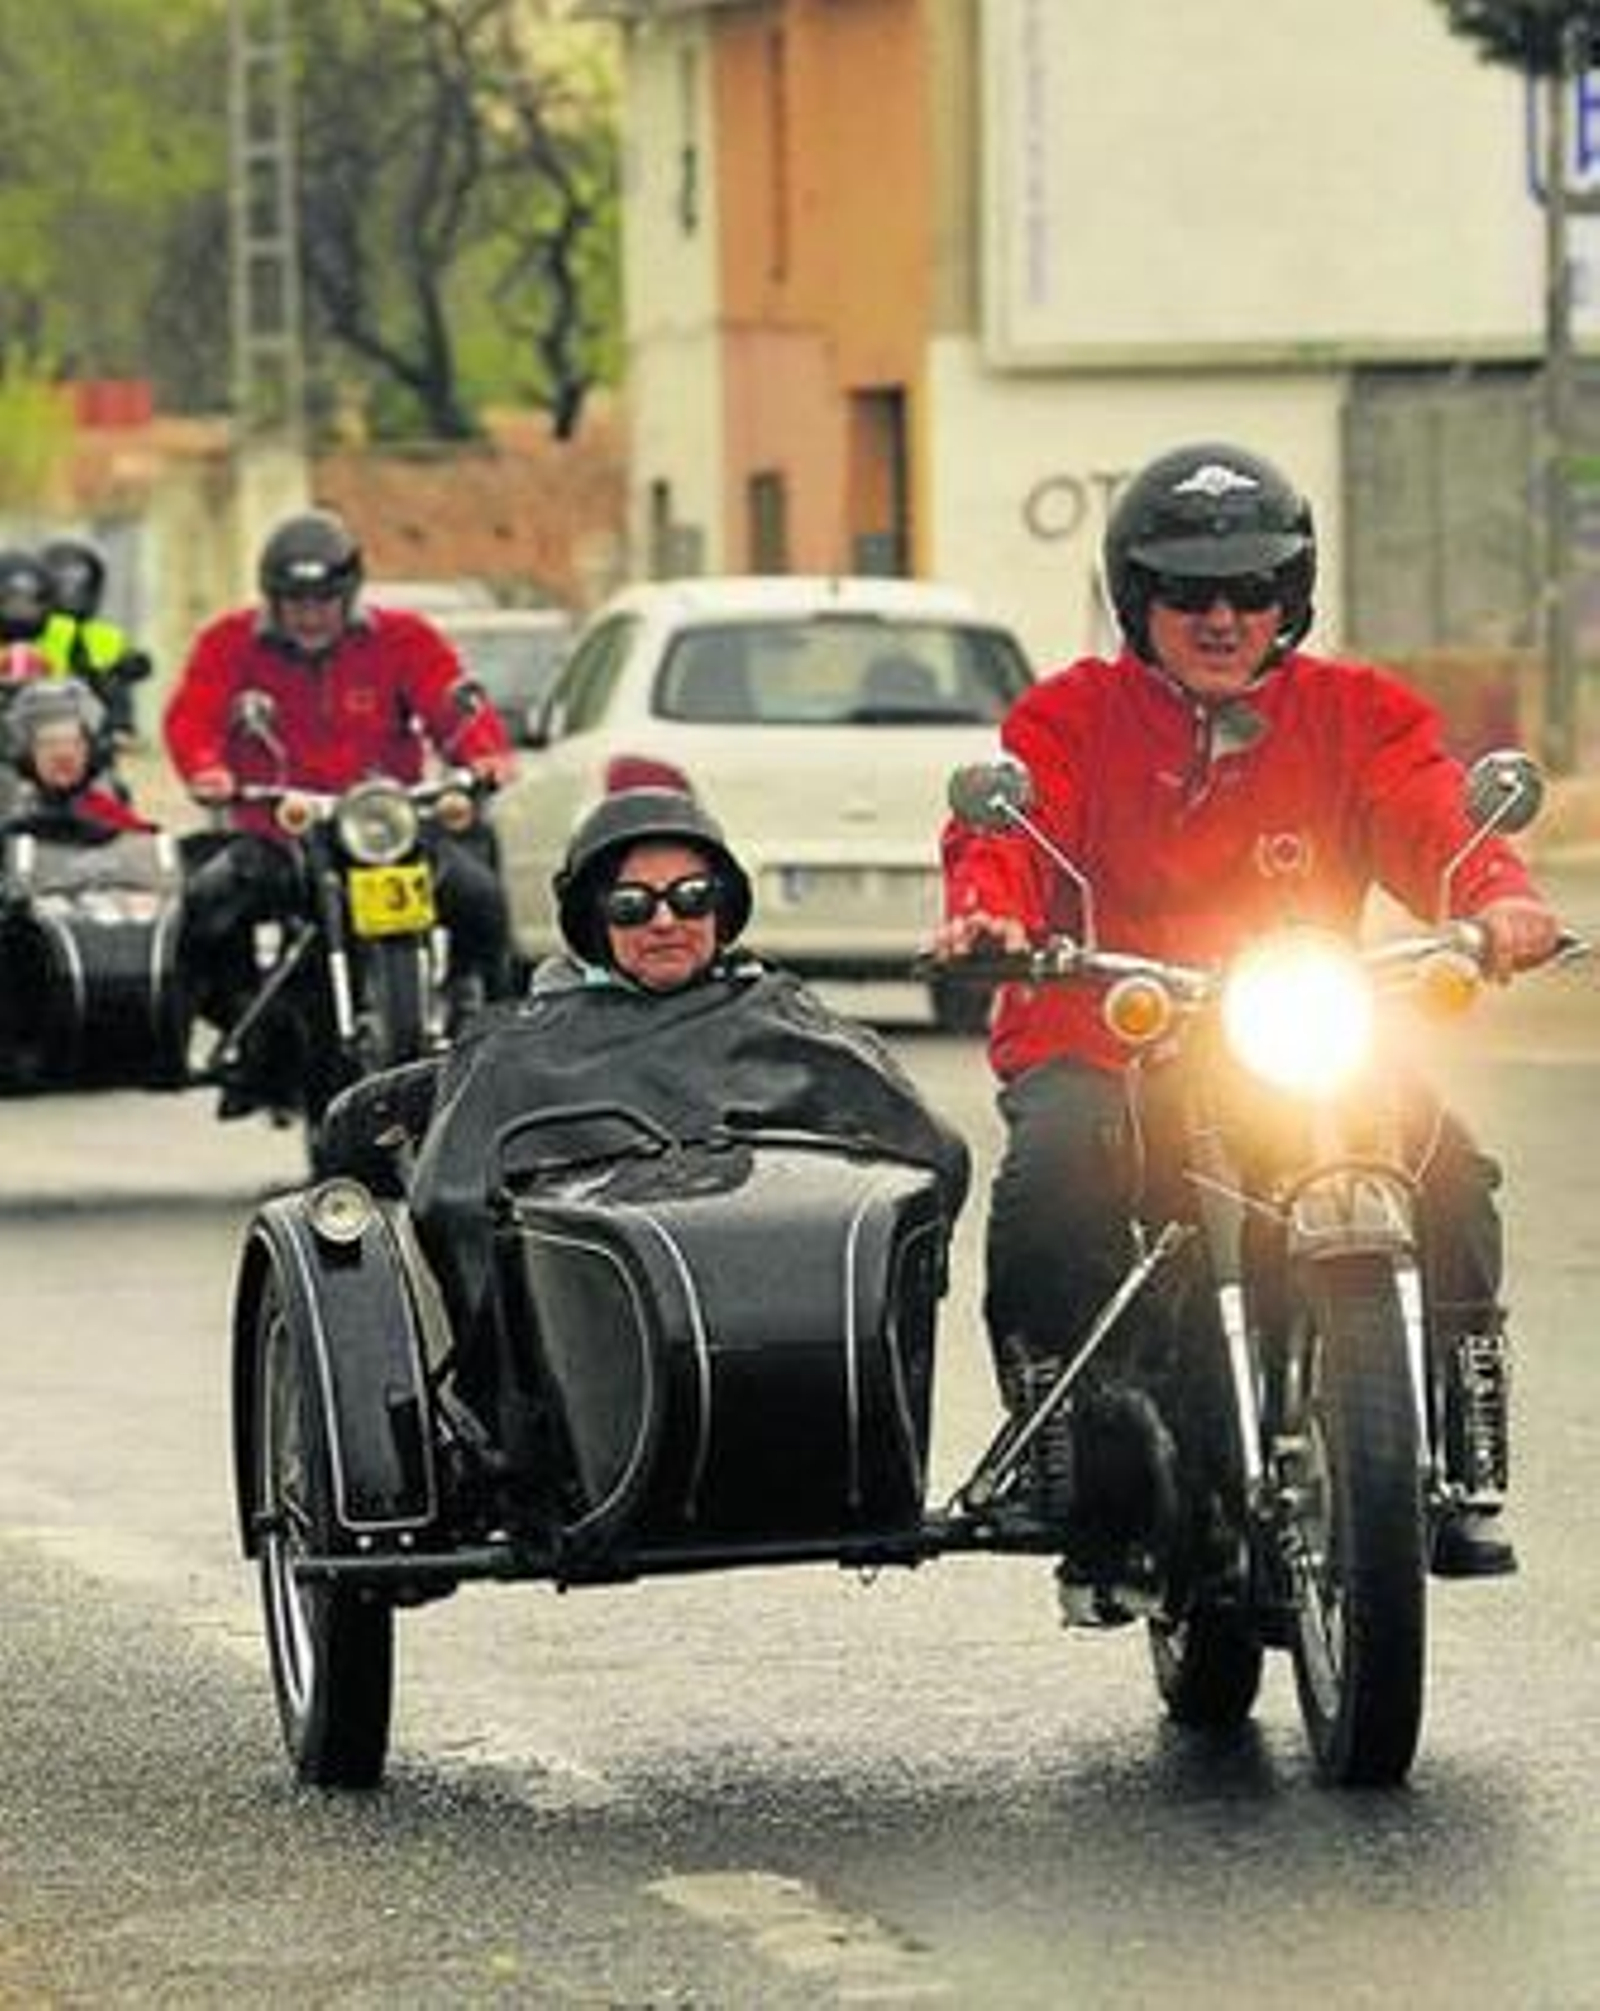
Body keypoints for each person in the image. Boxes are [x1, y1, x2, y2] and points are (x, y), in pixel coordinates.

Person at [930, 439, 1562, 1579]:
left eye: (1251, 589)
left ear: (1291, 595)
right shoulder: (1070, 717)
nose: (1220, 616)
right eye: (1187, 592)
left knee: (1451, 1170)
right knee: (1053, 1176)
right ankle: (1063, 1449)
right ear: (1138, 597)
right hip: (1109, 1034)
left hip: (1303, 1031)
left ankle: (1463, 1448)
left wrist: (1501, 898)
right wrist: (989, 914)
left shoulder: (1356, 711)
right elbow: (999, 838)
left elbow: (1433, 816)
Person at [320, 786, 970, 1424]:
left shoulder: (789, 1018)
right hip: (584, 1356)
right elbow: (450, 1202)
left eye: (691, 897)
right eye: (632, 904)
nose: (665, 920)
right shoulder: (518, 1046)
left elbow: (931, 1151)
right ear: (594, 919)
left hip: (809, 1344)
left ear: (721, 907)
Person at [163, 507, 519, 1105]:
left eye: (323, 599)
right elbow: (191, 715)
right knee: (205, 905)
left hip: (386, 829)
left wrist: (484, 756)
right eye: (294, 600)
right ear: (271, 599)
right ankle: (250, 1026)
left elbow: (451, 703)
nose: (309, 614)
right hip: (279, 834)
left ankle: (478, 1008)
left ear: (349, 594)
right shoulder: (228, 643)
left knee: (481, 896)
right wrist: (207, 769)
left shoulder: (403, 637)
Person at [1, 677, 152, 841]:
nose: (63, 753)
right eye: (49, 743)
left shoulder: (107, 792)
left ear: (89, 750)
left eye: (74, 743)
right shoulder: (9, 794)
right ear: (29, 754)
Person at [36, 536, 153, 745]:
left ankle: (121, 730)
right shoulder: (30, 628)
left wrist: (133, 663)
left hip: (97, 728)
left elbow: (128, 665)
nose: (71, 592)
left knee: (111, 681)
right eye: (63, 583)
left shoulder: (105, 633)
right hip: (39, 717)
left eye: (81, 585)